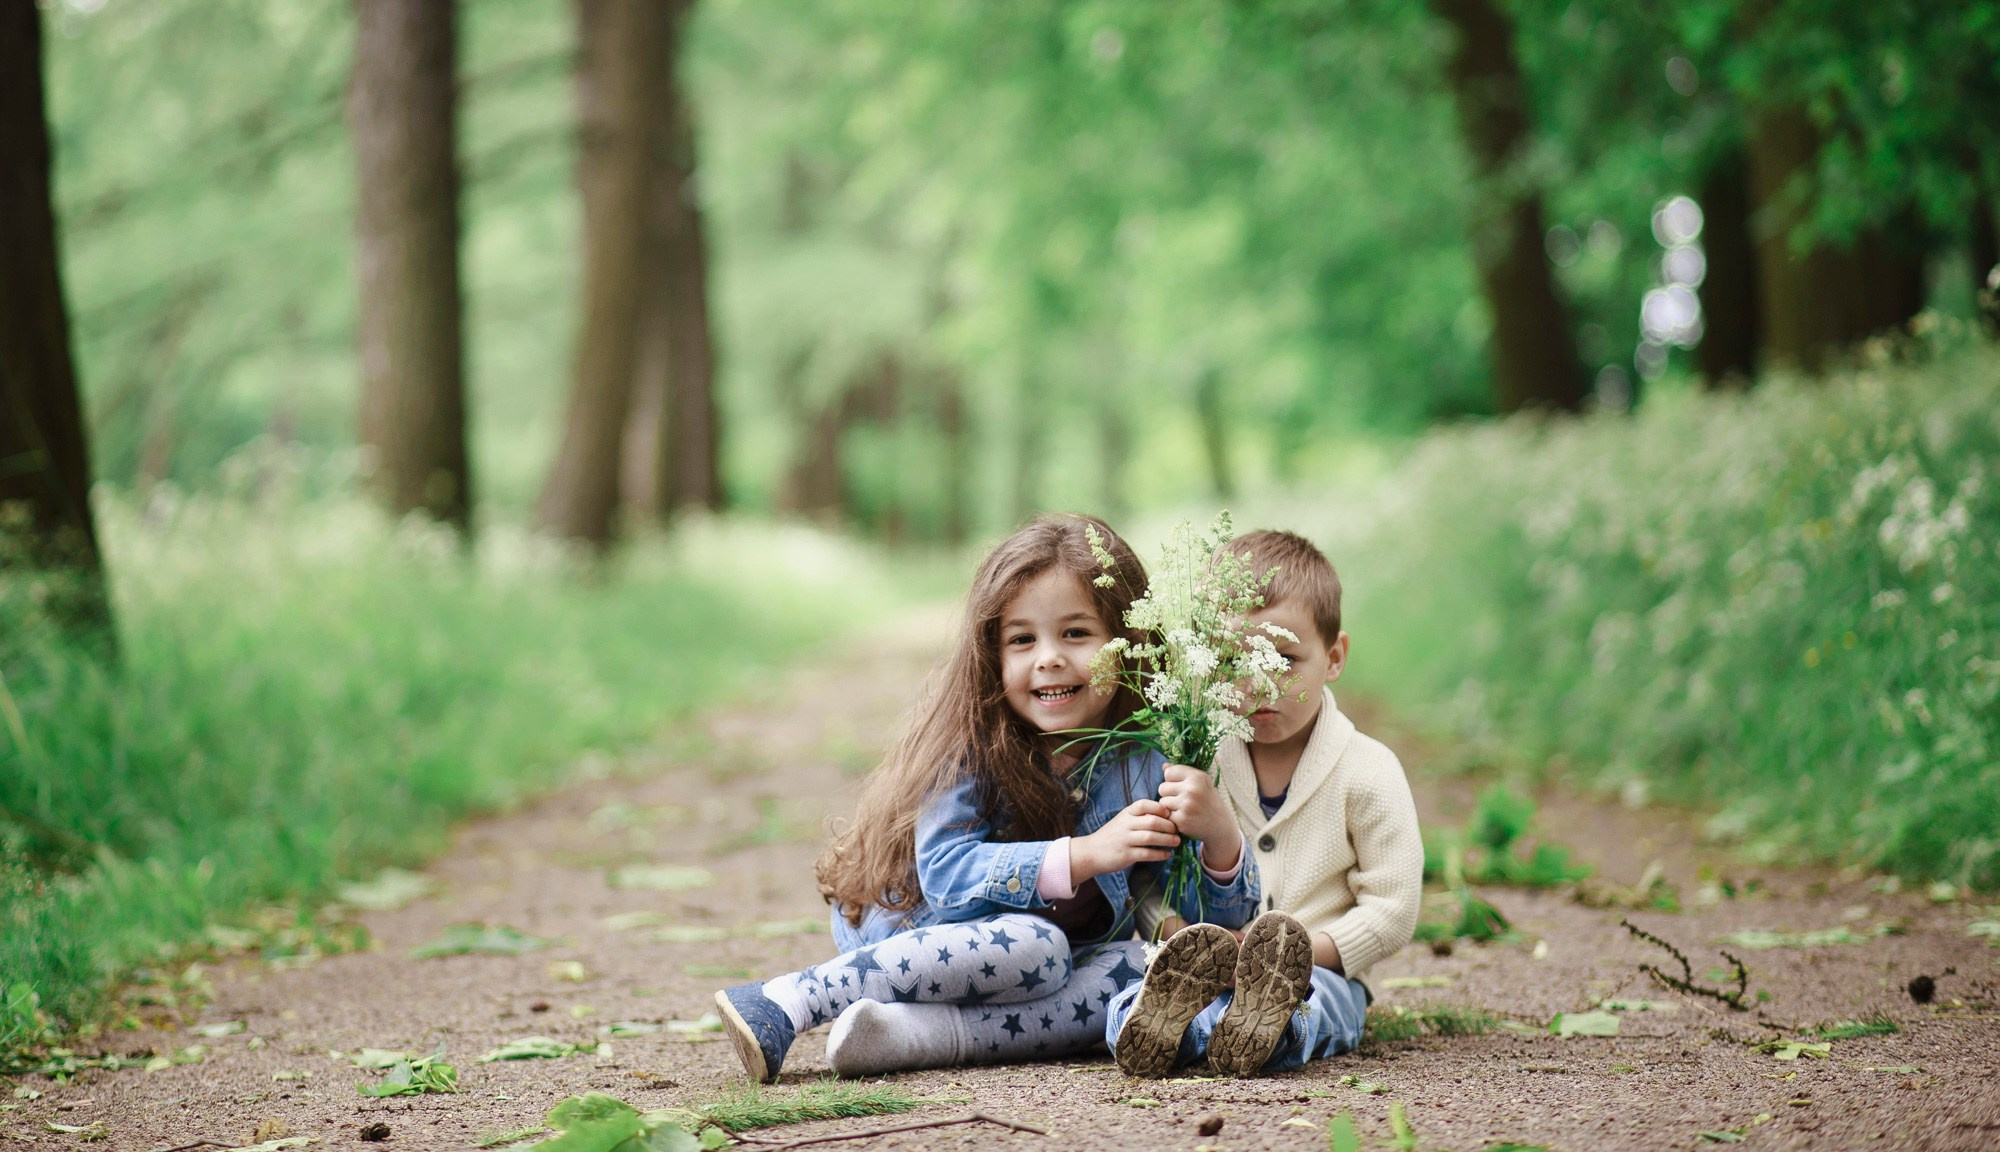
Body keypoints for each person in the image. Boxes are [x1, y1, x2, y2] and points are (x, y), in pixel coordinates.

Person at [713, 514, 1261, 1082]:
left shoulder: (1147, 759)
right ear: (990, 655)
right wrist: (1087, 854)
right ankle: (788, 999)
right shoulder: (970, 743)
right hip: (917, 933)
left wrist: (1220, 840)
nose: (1049, 657)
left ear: (1127, 643)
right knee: (1038, 947)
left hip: (1045, 969)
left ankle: (903, 1035)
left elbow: (1206, 933)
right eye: (1022, 640)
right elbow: (947, 878)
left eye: (1076, 633)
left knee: (1138, 967)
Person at [1106, 529, 1423, 1078]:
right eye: (1233, 659)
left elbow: (1392, 909)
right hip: (1198, 966)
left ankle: (1266, 1029)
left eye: (1283, 658)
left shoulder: (1368, 771)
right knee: (1138, 995)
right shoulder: (1193, 760)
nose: (1258, 681)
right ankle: (1156, 1029)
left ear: (1334, 657)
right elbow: (1145, 876)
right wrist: (1175, 930)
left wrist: (1298, 953)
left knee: (1314, 1007)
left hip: (1319, 972)